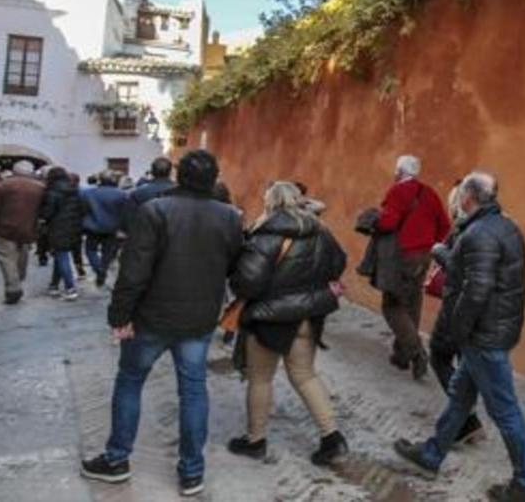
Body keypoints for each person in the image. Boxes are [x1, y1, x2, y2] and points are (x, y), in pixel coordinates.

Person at [81, 150, 244, 497]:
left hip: (151, 316)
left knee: (129, 381)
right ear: (213, 177)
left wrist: (119, 314)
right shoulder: (230, 216)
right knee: (194, 391)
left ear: (179, 175)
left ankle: (116, 459)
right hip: (199, 318)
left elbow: (133, 271)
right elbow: (232, 264)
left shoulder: (155, 210)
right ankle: (191, 471)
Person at [393, 172, 525, 502]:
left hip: (483, 336)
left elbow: (477, 290)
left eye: (460, 194)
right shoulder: (505, 226)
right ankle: (432, 454)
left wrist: (459, 333)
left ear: (467, 199)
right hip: (495, 329)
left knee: (505, 411)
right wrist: (447, 256)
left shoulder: (478, 234)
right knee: (461, 395)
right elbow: (483, 270)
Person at [226, 181, 349, 466]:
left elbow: (248, 282)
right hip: (308, 317)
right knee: (306, 376)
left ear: (271, 203)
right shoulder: (322, 231)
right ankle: (332, 438)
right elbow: (338, 263)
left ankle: (255, 440)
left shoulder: (265, 235)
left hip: (269, 318)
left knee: (260, 379)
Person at [370, 155, 451, 379]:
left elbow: (388, 223)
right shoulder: (429, 193)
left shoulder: (397, 191)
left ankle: (416, 352)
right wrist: (430, 245)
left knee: (392, 305)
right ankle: (402, 355)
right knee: (412, 304)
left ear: (399, 171)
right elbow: (444, 225)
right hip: (425, 255)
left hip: (403, 256)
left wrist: (375, 220)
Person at [427, 178, 485, 447]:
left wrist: (439, 252)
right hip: (483, 310)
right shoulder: (495, 226)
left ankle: (466, 421)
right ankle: (463, 422)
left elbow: (460, 269)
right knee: (466, 363)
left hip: (459, 307)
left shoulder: (465, 230)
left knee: (440, 355)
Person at [0, 160, 45, 304]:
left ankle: (13, 288)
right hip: (28, 228)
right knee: (22, 256)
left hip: (4, 227)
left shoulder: (3, 185)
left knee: (6, 258)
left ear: (14, 170)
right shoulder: (40, 188)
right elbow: (43, 210)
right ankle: (19, 278)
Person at [39, 167, 85, 301]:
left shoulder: (52, 191)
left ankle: (70, 288)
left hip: (58, 227)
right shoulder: (76, 190)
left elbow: (48, 213)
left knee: (62, 256)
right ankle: (53, 285)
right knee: (60, 255)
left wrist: (42, 217)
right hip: (74, 227)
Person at [81, 171, 128, 287]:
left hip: (93, 227)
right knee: (107, 253)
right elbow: (125, 212)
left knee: (90, 251)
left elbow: (84, 210)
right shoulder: (122, 194)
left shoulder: (89, 193)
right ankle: (102, 270)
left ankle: (99, 270)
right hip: (112, 228)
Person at [127, 157, 176, 225]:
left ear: (152, 172)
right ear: (170, 172)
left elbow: (130, 219)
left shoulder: (137, 193)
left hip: (145, 231)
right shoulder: (183, 192)